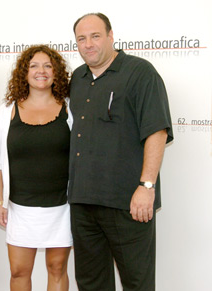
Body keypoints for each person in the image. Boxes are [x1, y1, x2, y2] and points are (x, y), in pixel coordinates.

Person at [69, 13, 174, 291]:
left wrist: (147, 186)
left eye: (95, 36)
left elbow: (157, 131)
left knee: (137, 283)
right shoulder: (77, 78)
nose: (88, 44)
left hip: (128, 203)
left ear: (111, 36)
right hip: (83, 203)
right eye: (81, 38)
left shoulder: (140, 72)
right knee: (91, 283)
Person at [0, 45, 73, 291]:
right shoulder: (6, 111)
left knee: (57, 269)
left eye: (48, 65)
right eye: (34, 66)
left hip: (61, 207)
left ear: (56, 72)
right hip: (19, 208)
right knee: (18, 272)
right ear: (24, 73)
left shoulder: (71, 108)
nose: (41, 71)